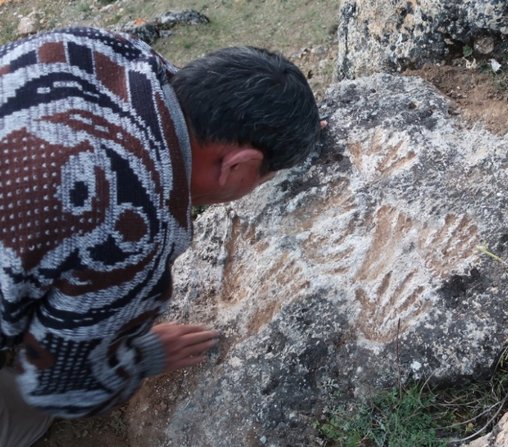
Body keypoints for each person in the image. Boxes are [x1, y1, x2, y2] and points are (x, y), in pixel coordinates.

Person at [0, 27, 320, 446]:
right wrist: (137, 357)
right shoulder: (134, 227)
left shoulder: (97, 46)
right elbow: (60, 387)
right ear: (238, 165)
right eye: (265, 176)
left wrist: (294, 127)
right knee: (24, 413)